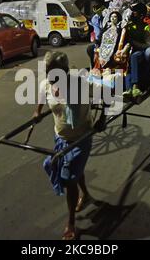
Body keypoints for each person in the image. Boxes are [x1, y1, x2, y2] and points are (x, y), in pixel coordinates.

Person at [34, 51, 93, 240]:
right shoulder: (47, 85)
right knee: (74, 171)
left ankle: (71, 223)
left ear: (65, 72)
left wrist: (103, 120)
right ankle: (86, 194)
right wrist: (37, 111)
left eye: (54, 72)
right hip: (60, 137)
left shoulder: (79, 85)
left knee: (68, 179)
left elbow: (106, 95)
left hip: (81, 137)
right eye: (48, 71)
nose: (50, 77)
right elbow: (42, 96)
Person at [120, 3, 150, 100]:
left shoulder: (146, 27)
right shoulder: (129, 25)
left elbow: (147, 45)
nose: (132, 14)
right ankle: (128, 89)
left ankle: (135, 86)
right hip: (127, 51)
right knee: (125, 62)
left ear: (141, 15)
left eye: (134, 12)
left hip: (140, 51)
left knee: (134, 57)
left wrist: (133, 43)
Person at [86, 1, 105, 68]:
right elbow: (96, 30)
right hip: (98, 41)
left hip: (105, 41)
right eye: (94, 8)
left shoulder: (106, 16)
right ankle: (94, 67)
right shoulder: (95, 18)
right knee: (90, 49)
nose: (96, 10)